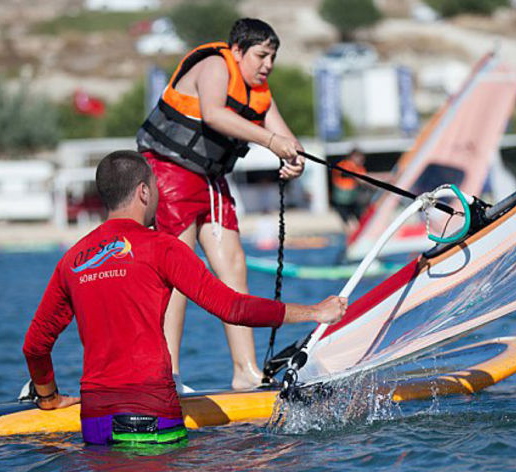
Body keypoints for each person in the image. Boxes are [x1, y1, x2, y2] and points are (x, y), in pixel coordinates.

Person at [22, 151, 346, 448]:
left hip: (94, 422)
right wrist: (314, 311)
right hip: (150, 416)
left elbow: (35, 345)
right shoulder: (161, 247)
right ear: (143, 192)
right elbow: (232, 308)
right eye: (155, 187)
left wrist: (49, 398)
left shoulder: (73, 259)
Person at [136, 18, 306, 390]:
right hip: (171, 173)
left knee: (234, 266)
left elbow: (286, 138)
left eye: (273, 57)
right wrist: (271, 143)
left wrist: (296, 160)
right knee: (178, 274)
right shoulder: (214, 65)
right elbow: (214, 114)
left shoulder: (259, 92)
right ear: (238, 51)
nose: (268, 65)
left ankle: (246, 371)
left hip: (211, 181)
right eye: (261, 56)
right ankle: (168, 376)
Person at [332, 148, 368, 234]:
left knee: (358, 220)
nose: (362, 161)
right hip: (342, 199)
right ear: (352, 157)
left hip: (352, 199)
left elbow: (364, 178)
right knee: (349, 223)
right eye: (359, 158)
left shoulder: (359, 167)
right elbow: (361, 179)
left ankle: (354, 235)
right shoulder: (345, 165)